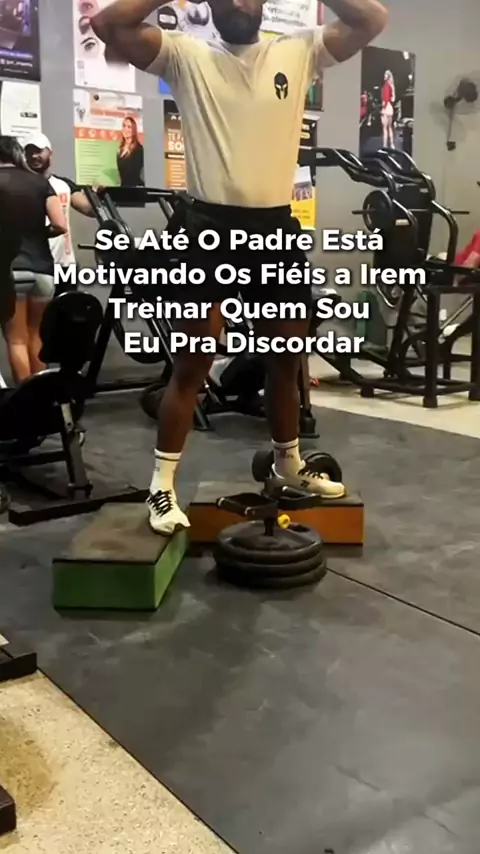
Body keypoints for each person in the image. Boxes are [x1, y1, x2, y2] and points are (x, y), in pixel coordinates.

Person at [91, 0, 388, 535]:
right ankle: (162, 486)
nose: (238, 2)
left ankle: (288, 465)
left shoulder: (300, 50)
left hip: (274, 229)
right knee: (193, 362)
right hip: (208, 228)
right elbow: (107, 24)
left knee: (287, 356)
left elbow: (373, 19)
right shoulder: (183, 54)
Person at [0, 136, 67, 384]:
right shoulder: (40, 182)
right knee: (37, 335)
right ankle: (41, 398)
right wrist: (38, 233)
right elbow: (60, 225)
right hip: (43, 270)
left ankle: (24, 400)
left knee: (16, 339)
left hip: (10, 270)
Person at [23, 132, 96, 286]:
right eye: (30, 152)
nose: (34, 156)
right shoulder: (20, 186)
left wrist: (97, 195)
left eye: (39, 151)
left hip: (65, 265)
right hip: (35, 265)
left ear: (50, 153)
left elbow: (89, 210)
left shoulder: (64, 185)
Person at [117, 116, 145, 186]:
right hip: (123, 188)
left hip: (133, 188)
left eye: (129, 127)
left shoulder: (139, 150)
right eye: (124, 126)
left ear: (134, 130)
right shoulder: (120, 149)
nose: (125, 129)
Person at [381, 68, 395, 149]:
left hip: (386, 108)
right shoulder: (392, 85)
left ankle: (385, 145)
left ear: (388, 76)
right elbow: (393, 99)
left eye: (385, 75)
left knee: (384, 128)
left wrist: (383, 107)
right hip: (390, 108)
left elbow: (384, 99)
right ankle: (392, 144)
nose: (384, 76)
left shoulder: (385, 86)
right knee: (390, 127)